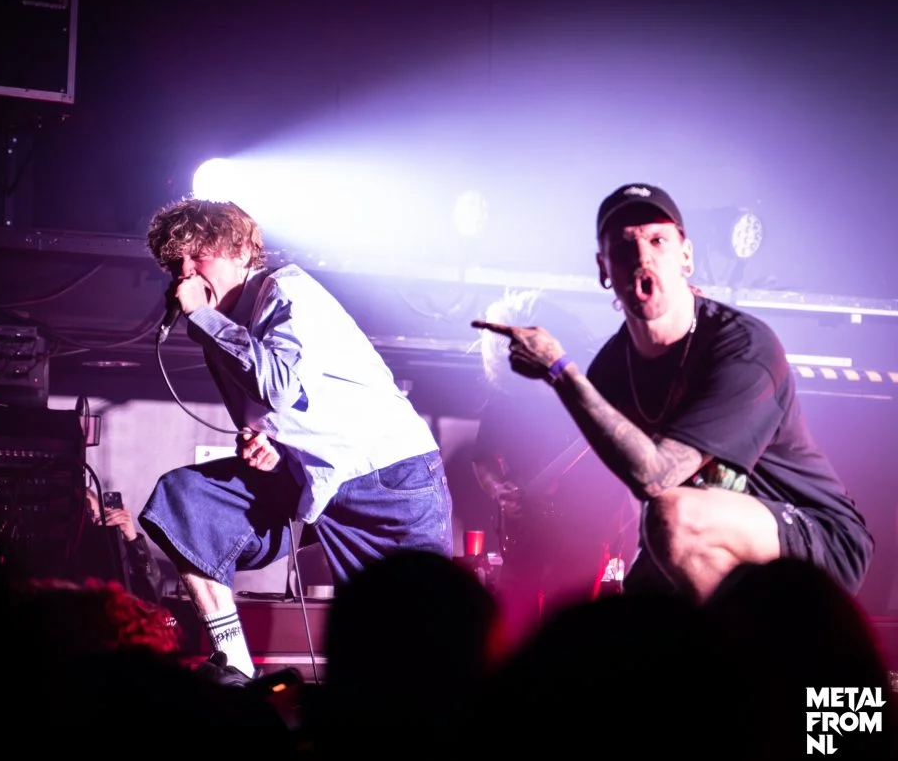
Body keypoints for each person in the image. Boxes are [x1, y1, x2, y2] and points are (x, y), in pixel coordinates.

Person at [472, 182, 874, 603]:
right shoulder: (612, 370)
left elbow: (657, 478)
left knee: (671, 517)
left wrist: (560, 370)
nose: (642, 256)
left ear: (686, 256)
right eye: (624, 245)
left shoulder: (741, 348)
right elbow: (630, 492)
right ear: (603, 269)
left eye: (658, 240)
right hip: (702, 532)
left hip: (814, 538)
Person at [138, 197, 453, 685]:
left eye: (197, 255)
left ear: (241, 250)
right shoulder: (223, 325)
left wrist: (203, 318)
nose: (185, 274)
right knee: (182, 500)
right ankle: (233, 660)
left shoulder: (287, 293)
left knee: (413, 650)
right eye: (174, 263)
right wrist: (269, 446)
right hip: (318, 481)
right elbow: (284, 412)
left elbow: (280, 386)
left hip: (388, 481)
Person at [471, 288, 632, 641]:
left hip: (586, 528)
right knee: (510, 621)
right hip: (524, 530)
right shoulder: (506, 397)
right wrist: (499, 490)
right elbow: (482, 458)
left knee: (570, 625)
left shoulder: (597, 381)